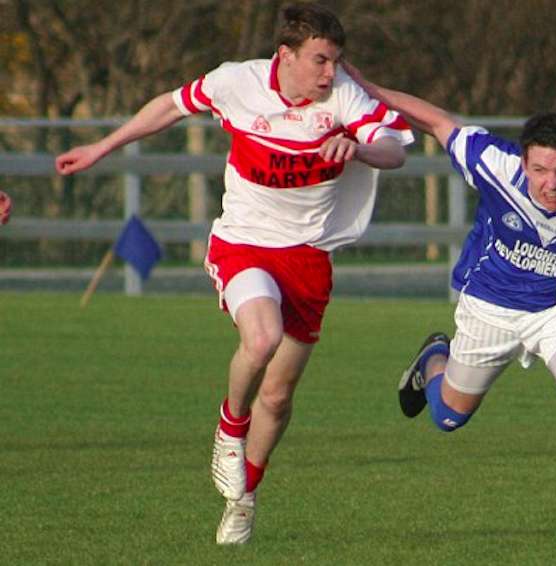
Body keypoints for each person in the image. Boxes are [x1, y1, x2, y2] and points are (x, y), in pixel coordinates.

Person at [55, 4, 413, 545]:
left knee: (279, 396)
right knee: (262, 336)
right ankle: (229, 425)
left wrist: (361, 146)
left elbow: (394, 151)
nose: (328, 73)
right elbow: (170, 107)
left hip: (308, 257)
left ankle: (243, 497)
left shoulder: (341, 95)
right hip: (243, 244)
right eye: (319, 60)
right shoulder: (237, 82)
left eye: (335, 62)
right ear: (285, 55)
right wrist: (103, 146)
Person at [343, 63, 556, 550]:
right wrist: (369, 89)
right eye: (538, 169)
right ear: (523, 160)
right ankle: (434, 356)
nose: (550, 184)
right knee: (448, 417)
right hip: (489, 305)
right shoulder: (495, 163)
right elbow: (436, 121)